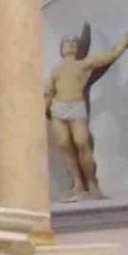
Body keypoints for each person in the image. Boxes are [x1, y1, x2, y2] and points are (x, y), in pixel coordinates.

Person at [45, 28, 128, 200]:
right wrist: (44, 109)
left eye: (74, 42)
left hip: (76, 107)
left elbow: (110, 56)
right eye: (67, 42)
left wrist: (124, 43)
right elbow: (49, 92)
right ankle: (77, 184)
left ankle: (91, 185)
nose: (70, 44)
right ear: (61, 48)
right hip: (58, 110)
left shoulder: (84, 64)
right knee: (65, 147)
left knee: (82, 144)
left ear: (78, 47)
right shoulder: (56, 70)